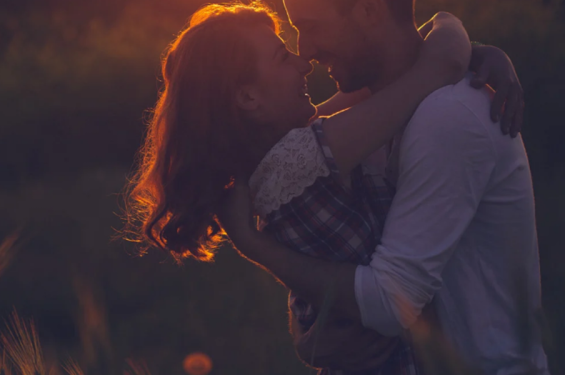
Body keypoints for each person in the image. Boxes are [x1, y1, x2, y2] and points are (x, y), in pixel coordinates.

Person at [122, 3, 528, 374]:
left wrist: (470, 50)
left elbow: (413, 72)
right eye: (286, 51)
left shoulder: (440, 118)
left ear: (369, 10)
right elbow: (423, 73)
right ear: (247, 97)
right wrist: (453, 53)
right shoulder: (311, 149)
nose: (305, 58)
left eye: (310, 27)